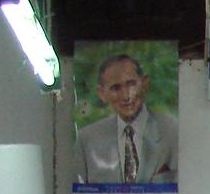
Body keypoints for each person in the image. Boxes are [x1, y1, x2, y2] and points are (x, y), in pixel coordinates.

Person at [75, 53, 178, 183]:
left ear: (144, 83)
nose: (126, 96)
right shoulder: (86, 140)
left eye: (131, 84)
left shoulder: (172, 130)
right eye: (115, 88)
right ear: (102, 94)